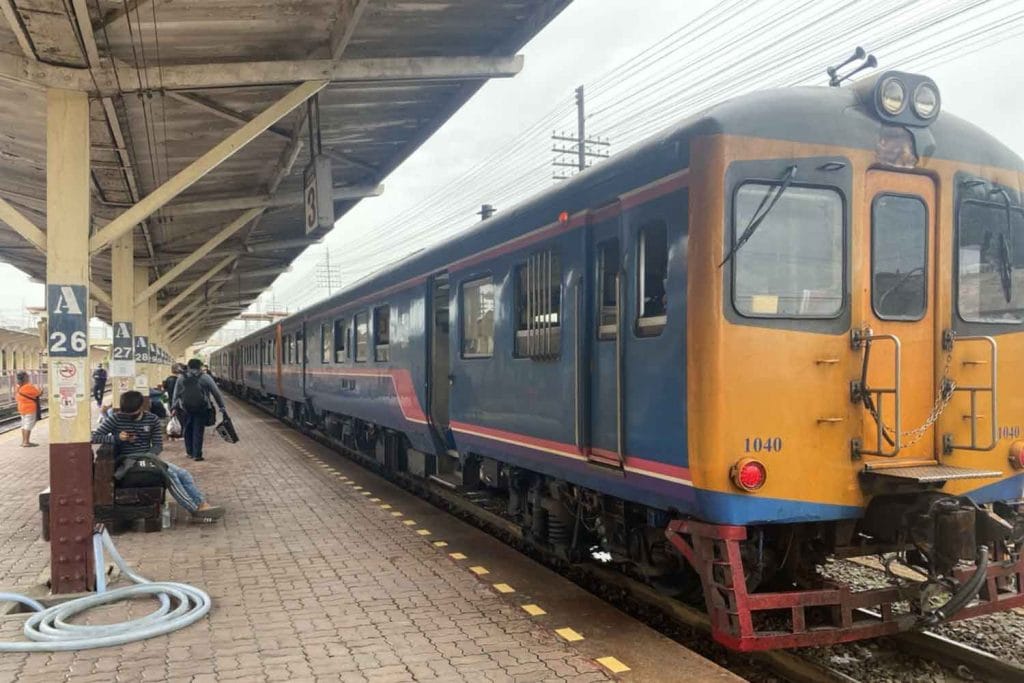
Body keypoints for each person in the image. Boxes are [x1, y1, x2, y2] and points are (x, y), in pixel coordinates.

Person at [92, 390, 223, 520]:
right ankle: (194, 509)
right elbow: (94, 437)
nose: (129, 417)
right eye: (126, 414)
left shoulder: (151, 419)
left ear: (141, 407)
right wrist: (117, 438)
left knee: (183, 474)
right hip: (127, 461)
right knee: (170, 474)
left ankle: (202, 504)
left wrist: (149, 456)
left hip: (148, 457)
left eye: (133, 414)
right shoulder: (115, 419)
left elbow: (157, 445)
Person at [171, 359, 227, 462]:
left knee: (187, 429)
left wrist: (173, 407)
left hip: (185, 408)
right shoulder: (205, 377)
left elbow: (176, 394)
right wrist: (221, 407)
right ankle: (197, 454)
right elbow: (216, 392)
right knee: (198, 430)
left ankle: (189, 452)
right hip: (202, 408)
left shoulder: (181, 378)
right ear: (200, 367)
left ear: (188, 367)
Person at [15, 371, 42, 448]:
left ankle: (24, 441)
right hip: (29, 408)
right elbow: (38, 393)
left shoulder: (18, 386)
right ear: (25, 378)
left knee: (24, 424)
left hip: (21, 408)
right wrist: (41, 390)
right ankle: (26, 442)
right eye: (27, 376)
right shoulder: (29, 386)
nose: (29, 377)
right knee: (28, 425)